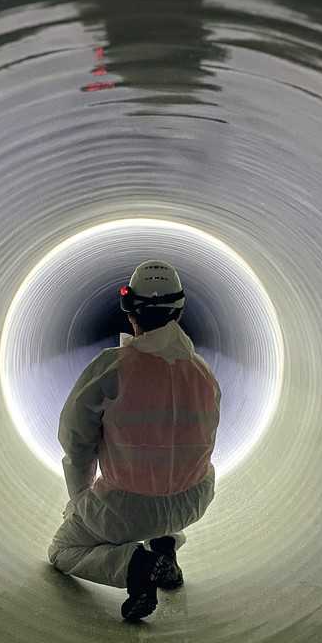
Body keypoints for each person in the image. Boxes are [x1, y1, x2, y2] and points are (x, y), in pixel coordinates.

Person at [47, 260, 221, 622]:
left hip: (124, 511)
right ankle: (166, 548)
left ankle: (137, 567)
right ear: (180, 311)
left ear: (129, 311)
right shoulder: (204, 373)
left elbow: (76, 440)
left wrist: (80, 499)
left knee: (63, 549)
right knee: (172, 466)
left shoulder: (113, 367)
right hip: (192, 503)